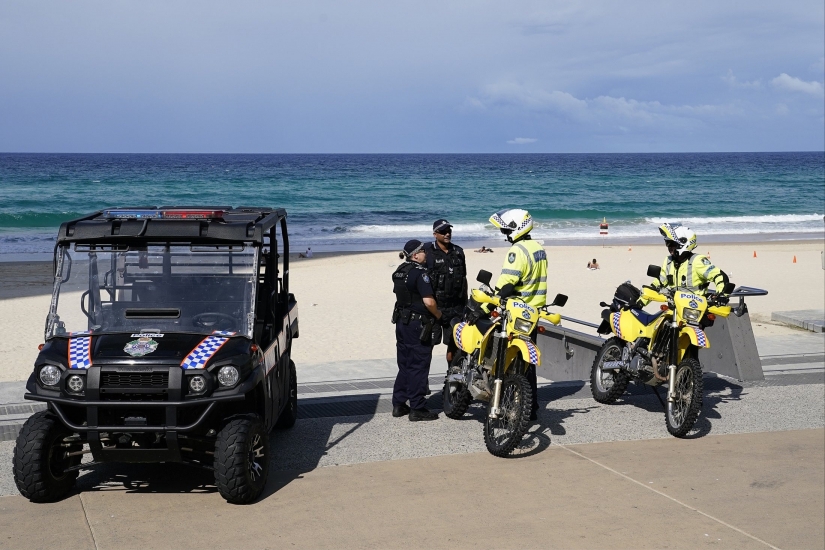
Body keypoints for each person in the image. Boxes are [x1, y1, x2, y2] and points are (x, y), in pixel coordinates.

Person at [488, 208, 548, 421]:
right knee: (527, 362)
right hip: (534, 314)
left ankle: (503, 403)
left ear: (515, 228)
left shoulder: (517, 252)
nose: (504, 232)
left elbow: (506, 283)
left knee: (506, 359)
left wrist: (492, 301)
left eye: (506, 228)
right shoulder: (539, 249)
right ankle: (530, 407)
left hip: (516, 313)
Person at [391, 239, 443, 421]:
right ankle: (417, 408)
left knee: (404, 364)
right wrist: (438, 315)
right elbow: (429, 302)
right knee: (418, 365)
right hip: (417, 324)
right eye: (423, 251)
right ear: (415, 255)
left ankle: (398, 404)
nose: (426, 254)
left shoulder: (399, 272)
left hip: (401, 323)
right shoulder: (420, 274)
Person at [640, 223, 730, 307]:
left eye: (671, 244)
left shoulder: (697, 261)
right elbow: (658, 284)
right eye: (667, 243)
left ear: (682, 244)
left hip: (695, 309)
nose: (669, 247)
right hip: (675, 308)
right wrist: (640, 302)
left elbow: (719, 276)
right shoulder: (668, 261)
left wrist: (722, 295)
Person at [423, 219, 468, 368]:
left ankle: (453, 381)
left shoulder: (458, 252)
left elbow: (463, 279)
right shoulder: (427, 252)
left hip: (455, 308)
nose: (447, 234)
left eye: (449, 231)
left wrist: (465, 305)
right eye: (443, 231)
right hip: (434, 309)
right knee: (427, 347)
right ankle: (422, 383)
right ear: (435, 234)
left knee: (454, 348)